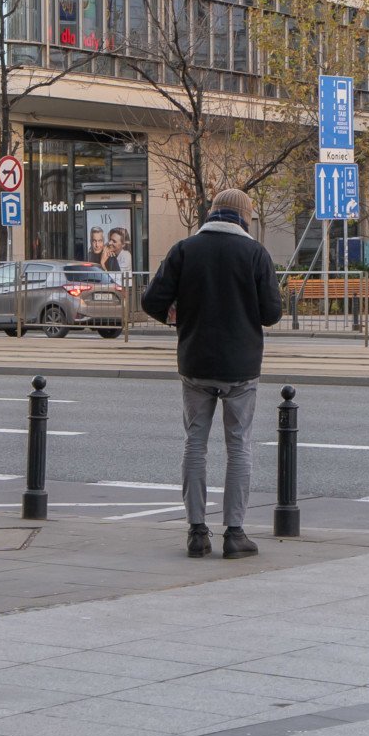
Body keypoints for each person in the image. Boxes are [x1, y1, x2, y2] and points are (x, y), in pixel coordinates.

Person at [141, 189, 283, 560]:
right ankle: (235, 534)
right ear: (244, 218)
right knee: (239, 447)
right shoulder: (255, 254)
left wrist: (176, 315)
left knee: (195, 444)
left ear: (213, 213)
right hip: (241, 367)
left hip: (195, 362)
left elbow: (151, 301)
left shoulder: (185, 249)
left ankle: (197, 533)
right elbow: (271, 313)